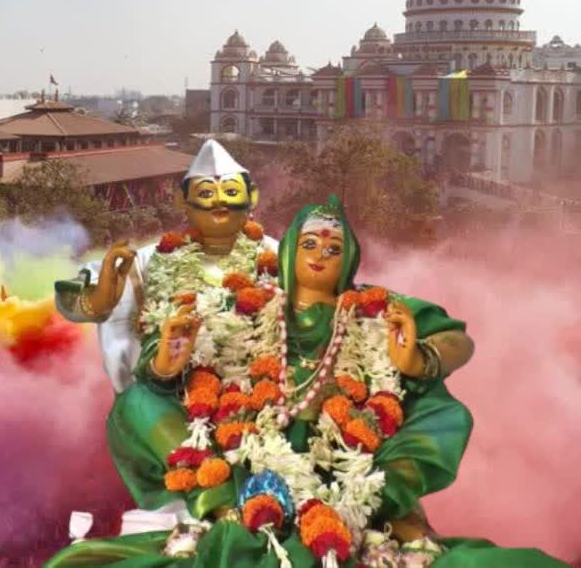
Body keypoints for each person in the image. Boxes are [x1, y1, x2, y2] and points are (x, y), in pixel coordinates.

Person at [46, 196, 568, 567]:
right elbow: (153, 364)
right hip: (246, 457)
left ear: (349, 260)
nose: (319, 255)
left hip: (348, 462)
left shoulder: (372, 307)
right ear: (292, 249)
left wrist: (418, 361)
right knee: (138, 402)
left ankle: (373, 512)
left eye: (333, 248)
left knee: (441, 411)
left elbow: (457, 340)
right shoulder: (241, 303)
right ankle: (225, 506)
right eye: (310, 243)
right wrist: (170, 355)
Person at [55, 139, 276, 521]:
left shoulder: (282, 256)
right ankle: (216, 502)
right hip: (175, 406)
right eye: (206, 192)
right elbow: (73, 302)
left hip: (268, 401)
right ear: (182, 201)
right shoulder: (151, 260)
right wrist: (103, 295)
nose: (219, 201)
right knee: (135, 405)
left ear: (251, 195)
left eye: (231, 191)